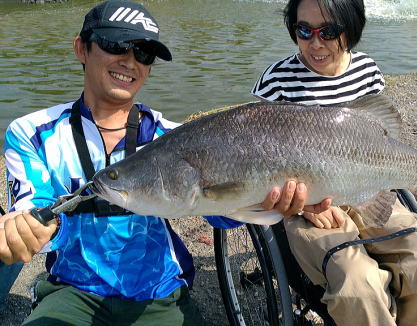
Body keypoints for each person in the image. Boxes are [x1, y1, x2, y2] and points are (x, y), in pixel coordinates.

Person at [0, 1, 322, 324]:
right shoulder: (31, 134)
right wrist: (24, 232)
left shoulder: (172, 136)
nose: (129, 61)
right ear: (81, 48)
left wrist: (261, 200)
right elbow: (33, 210)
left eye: (144, 53)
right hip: (72, 294)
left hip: (161, 295)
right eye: (116, 45)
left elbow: (220, 215)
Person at [252, 0, 417, 325]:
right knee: (358, 281)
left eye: (329, 31)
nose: (315, 43)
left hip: (369, 192)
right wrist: (305, 205)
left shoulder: (367, 69)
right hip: (310, 209)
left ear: (351, 29)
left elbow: (380, 135)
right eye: (303, 30)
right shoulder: (276, 80)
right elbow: (261, 160)